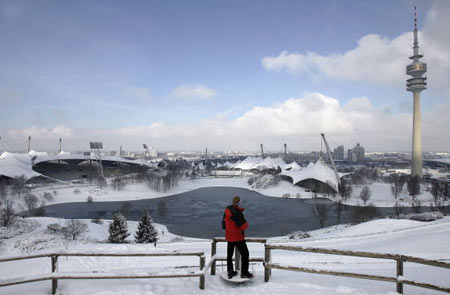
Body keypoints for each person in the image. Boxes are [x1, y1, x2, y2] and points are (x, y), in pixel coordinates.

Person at [222, 195, 253, 279]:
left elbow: (223, 225)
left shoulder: (227, 210)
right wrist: (245, 222)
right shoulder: (236, 212)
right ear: (238, 203)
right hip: (238, 237)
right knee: (245, 254)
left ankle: (230, 272)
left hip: (230, 236)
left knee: (229, 255)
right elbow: (244, 226)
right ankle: (244, 272)